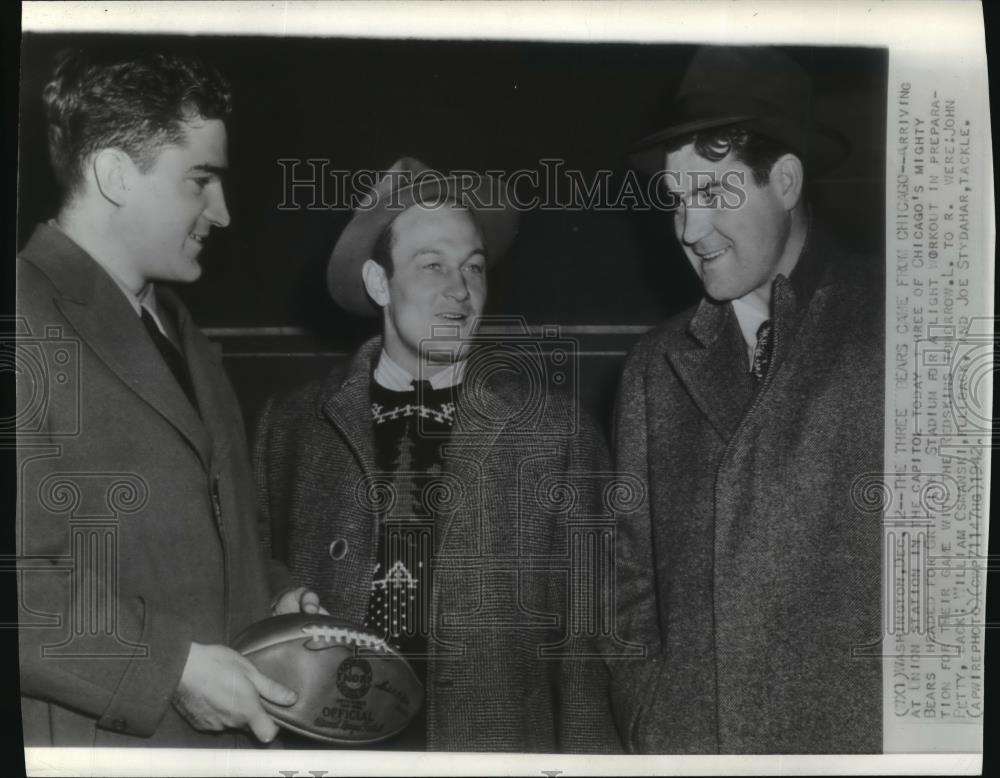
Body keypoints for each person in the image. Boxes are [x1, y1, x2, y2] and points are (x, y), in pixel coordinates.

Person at [253, 158, 623, 752]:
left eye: (473, 268)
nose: (461, 290)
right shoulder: (290, 426)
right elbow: (248, 577)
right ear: (380, 284)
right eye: (432, 267)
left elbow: (593, 644)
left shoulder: (557, 434)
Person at [16, 48, 321, 747]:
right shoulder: (21, 316)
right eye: (200, 179)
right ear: (115, 175)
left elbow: (197, 545)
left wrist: (272, 598)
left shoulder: (179, 328)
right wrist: (172, 667)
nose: (223, 211)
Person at [611, 45, 884, 753]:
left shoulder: (900, 324)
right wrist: (652, 716)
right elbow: (626, 585)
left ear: (786, 180)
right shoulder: (654, 368)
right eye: (676, 200)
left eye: (711, 194)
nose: (688, 230)